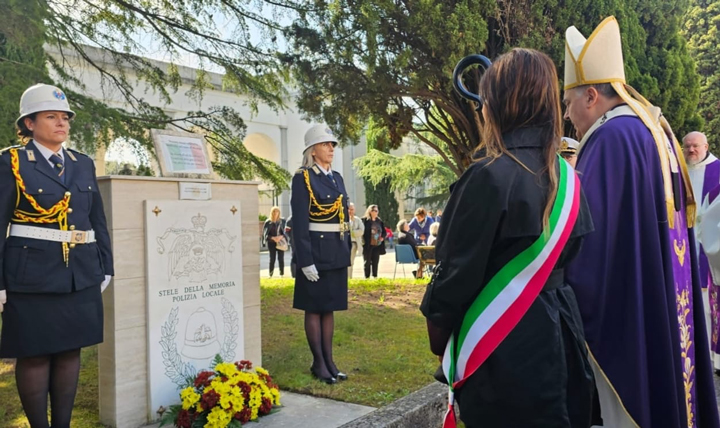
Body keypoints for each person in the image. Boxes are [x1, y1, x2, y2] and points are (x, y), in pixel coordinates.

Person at [421, 48, 595, 428]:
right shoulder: (568, 179)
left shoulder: (487, 176)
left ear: (496, 103)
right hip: (563, 336)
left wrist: (440, 339)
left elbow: (453, 277)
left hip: (505, 351)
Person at [562, 17, 719, 427]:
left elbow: (587, 241)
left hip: (632, 309)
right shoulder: (654, 127)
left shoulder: (610, 139)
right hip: (668, 294)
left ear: (592, 95)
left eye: (568, 102)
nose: (566, 115)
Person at [0, 83, 114, 428]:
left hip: (80, 272)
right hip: (30, 275)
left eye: (65, 117)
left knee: (70, 351)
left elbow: (97, 219)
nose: (62, 123)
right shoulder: (12, 162)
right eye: (52, 116)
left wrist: (105, 265)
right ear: (29, 124)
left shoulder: (82, 163)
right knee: (34, 355)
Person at [291, 124, 351, 385]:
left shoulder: (337, 177)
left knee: (329, 309)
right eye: (326, 144)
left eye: (333, 144)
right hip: (315, 252)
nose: (331, 148)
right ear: (312, 150)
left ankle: (330, 362)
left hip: (335, 252)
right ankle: (318, 363)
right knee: (314, 308)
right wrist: (305, 261)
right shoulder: (303, 178)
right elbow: (301, 223)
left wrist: (346, 253)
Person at [362, 205, 386, 278]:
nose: (376, 212)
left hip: (377, 245)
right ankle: (367, 276)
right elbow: (363, 231)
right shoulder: (365, 220)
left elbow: (384, 232)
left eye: (377, 211)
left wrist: (382, 237)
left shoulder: (379, 221)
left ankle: (375, 276)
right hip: (368, 245)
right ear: (370, 211)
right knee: (367, 262)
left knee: (375, 261)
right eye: (374, 211)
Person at [263, 206, 287, 277]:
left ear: (279, 212)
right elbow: (265, 234)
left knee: (281, 258)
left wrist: (281, 236)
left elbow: (286, 232)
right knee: (272, 259)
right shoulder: (268, 222)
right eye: (274, 211)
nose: (275, 213)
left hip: (280, 242)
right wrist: (273, 238)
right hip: (271, 243)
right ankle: (270, 274)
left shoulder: (282, 221)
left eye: (277, 211)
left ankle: (281, 274)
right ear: (271, 212)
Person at [347, 202, 364, 278]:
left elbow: (361, 231)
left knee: (350, 262)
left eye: (352, 209)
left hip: (353, 244)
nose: (350, 211)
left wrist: (351, 232)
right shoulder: (343, 219)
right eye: (349, 209)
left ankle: (349, 278)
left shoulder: (357, 220)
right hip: (344, 243)